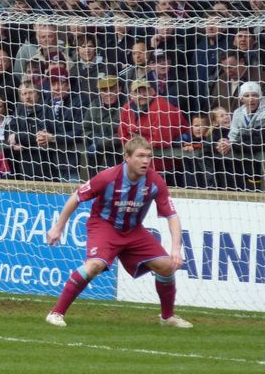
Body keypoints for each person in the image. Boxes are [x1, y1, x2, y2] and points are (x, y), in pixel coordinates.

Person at [45, 136, 192, 329]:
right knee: (94, 266)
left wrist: (175, 249)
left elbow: (172, 215)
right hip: (104, 226)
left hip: (133, 231)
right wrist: (58, 227)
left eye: (149, 156)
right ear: (127, 157)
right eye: (140, 156)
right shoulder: (107, 177)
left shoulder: (155, 182)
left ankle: (167, 317)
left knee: (166, 266)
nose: (146, 161)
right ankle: (56, 313)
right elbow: (76, 197)